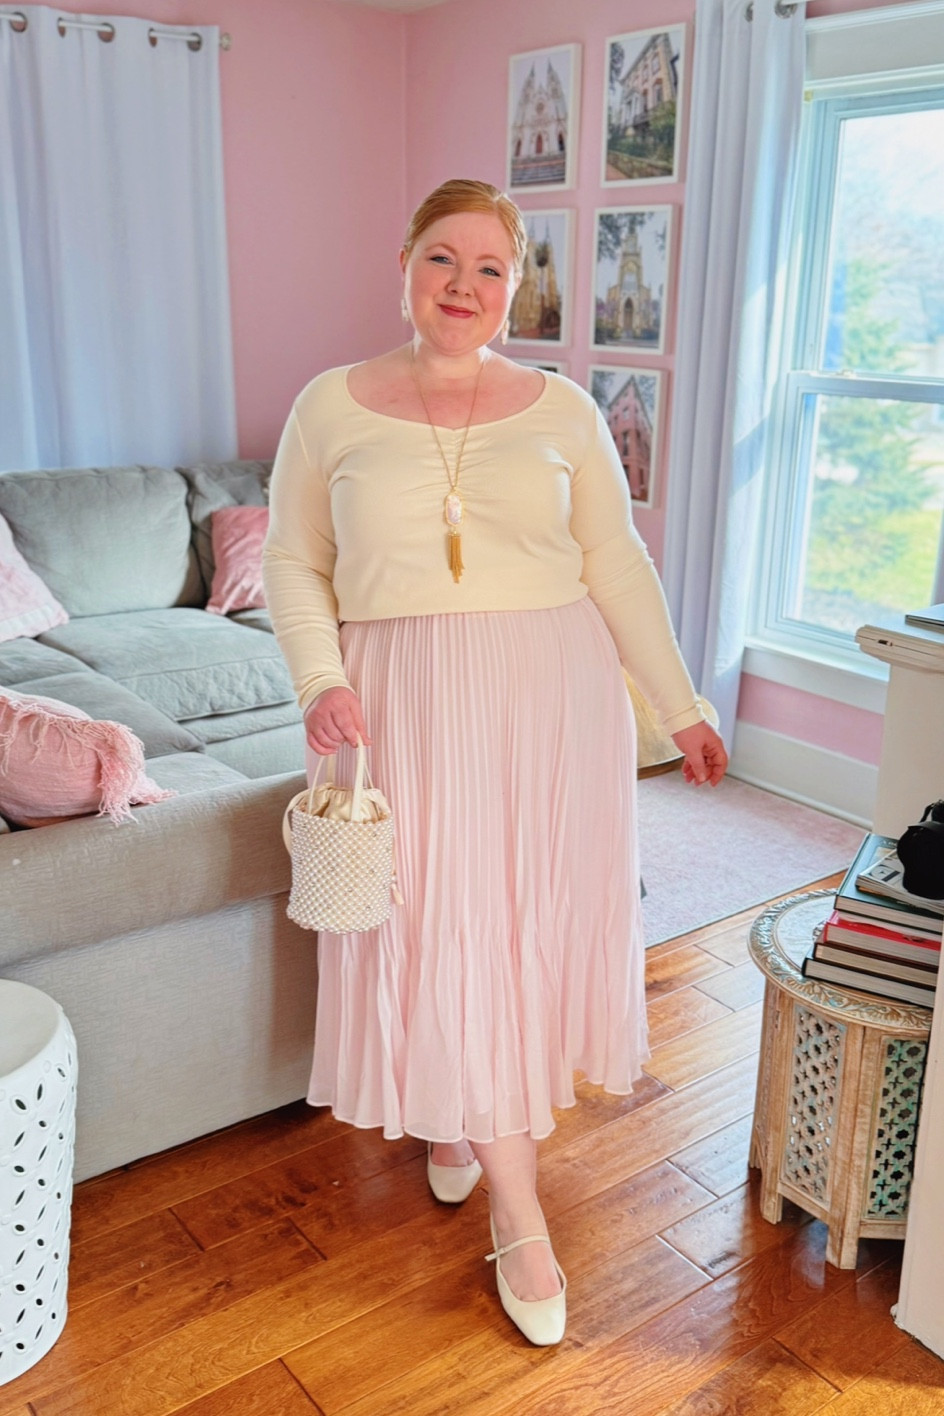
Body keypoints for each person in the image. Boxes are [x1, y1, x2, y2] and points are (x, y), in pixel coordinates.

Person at [262, 178, 728, 1347]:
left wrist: (676, 706)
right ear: (403, 263)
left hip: (547, 700)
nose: (461, 287)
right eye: (440, 260)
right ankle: (493, 1175)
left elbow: (615, 564)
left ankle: (493, 1167)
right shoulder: (329, 406)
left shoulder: (561, 408)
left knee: (509, 921)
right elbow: (291, 561)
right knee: (430, 922)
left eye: (488, 269)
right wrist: (320, 678)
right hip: (396, 704)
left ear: (516, 288)